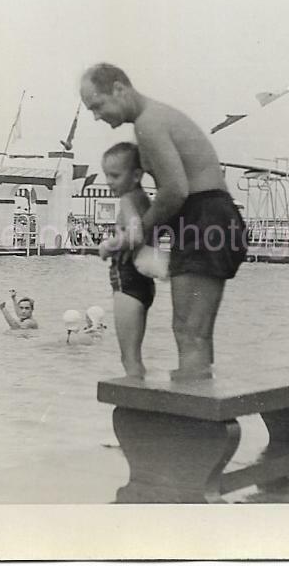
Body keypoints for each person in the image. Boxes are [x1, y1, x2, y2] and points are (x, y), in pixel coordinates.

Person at [81, 64, 248, 380]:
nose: (97, 117)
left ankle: (194, 420)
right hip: (209, 218)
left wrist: (135, 234)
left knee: (189, 331)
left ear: (119, 89)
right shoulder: (155, 119)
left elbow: (175, 189)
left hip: (205, 218)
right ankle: (199, 406)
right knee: (193, 331)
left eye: (97, 106)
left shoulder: (149, 123)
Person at [97, 142, 158, 378]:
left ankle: (137, 406)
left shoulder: (128, 200)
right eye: (106, 175)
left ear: (136, 175)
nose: (109, 181)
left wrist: (108, 246)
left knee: (129, 358)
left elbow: (135, 235)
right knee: (135, 356)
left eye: (114, 175)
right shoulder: (145, 200)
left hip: (127, 280)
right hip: (144, 282)